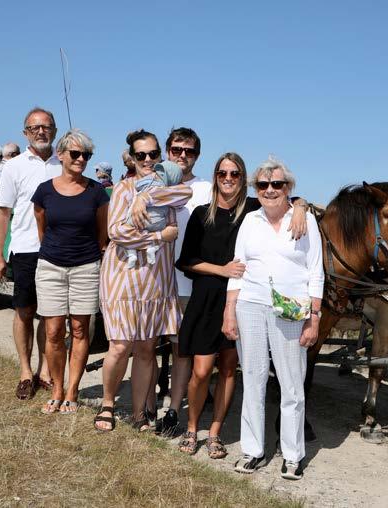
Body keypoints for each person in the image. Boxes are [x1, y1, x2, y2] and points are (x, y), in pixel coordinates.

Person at [176, 153, 308, 458]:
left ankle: (215, 433)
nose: (228, 179)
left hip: (243, 300)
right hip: (207, 299)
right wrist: (221, 269)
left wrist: (300, 209)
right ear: (215, 177)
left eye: (235, 174)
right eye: (223, 173)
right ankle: (192, 427)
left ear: (243, 178)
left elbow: (292, 196)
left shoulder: (252, 210)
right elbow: (186, 261)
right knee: (200, 370)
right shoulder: (200, 214)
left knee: (228, 369)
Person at [223, 158, 323, 480]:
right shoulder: (250, 221)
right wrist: (229, 310)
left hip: (291, 310)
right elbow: (237, 268)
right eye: (263, 185)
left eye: (277, 185)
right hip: (250, 305)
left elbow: (316, 272)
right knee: (251, 379)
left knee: (292, 384)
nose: (270, 190)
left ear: (288, 188)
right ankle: (253, 451)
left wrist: (315, 318)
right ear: (256, 189)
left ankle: (292, 455)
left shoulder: (305, 220)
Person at [94, 129, 192, 432]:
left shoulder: (170, 186)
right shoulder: (123, 189)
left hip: (156, 280)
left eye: (153, 154)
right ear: (132, 158)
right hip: (123, 277)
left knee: (147, 349)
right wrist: (156, 235)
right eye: (141, 155)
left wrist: (146, 196)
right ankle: (108, 404)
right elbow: (117, 232)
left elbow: (185, 193)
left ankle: (139, 415)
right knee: (121, 345)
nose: (148, 160)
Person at [32, 129, 109, 414]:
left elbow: (102, 233)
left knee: (79, 329)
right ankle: (56, 388)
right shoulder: (45, 191)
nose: (81, 159)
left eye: (86, 155)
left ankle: (73, 391)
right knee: (53, 331)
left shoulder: (96, 192)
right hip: (51, 265)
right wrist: (55, 252)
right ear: (60, 155)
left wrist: (88, 256)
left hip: (86, 267)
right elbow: (42, 228)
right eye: (75, 154)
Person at [0, 107, 60, 399]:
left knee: (51, 316)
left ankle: (45, 372)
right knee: (24, 311)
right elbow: (3, 214)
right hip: (26, 249)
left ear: (54, 130)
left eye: (46, 126)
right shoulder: (13, 167)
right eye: (34, 128)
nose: (41, 131)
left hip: (58, 250)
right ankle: (24, 372)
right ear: (25, 133)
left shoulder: (66, 162)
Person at [154, 127, 212, 435]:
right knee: (145, 347)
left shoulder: (207, 189)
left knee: (180, 350)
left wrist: (298, 204)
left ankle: (174, 409)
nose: (182, 156)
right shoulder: (148, 183)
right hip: (150, 281)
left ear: (197, 156)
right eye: (177, 150)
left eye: (189, 151)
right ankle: (145, 408)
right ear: (167, 152)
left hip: (186, 283)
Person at [124, 160, 182, 268]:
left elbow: (138, 185)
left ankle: (132, 254)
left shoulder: (152, 181)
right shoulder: (170, 192)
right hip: (159, 222)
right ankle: (152, 248)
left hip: (139, 218)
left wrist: (142, 195)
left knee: (129, 228)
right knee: (158, 233)